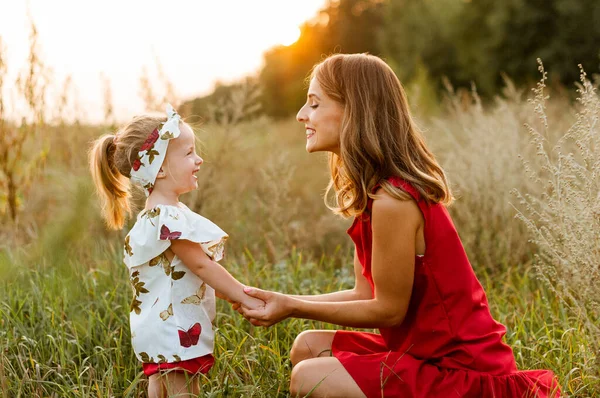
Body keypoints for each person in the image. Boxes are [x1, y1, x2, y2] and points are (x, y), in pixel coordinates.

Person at [239, 54, 560, 397]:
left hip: (461, 372)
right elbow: (365, 296)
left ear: (355, 112)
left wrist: (293, 307)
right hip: (419, 355)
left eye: (315, 104)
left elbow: (389, 311)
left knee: (307, 378)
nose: (302, 115)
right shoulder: (372, 197)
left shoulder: (394, 200)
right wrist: (285, 300)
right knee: (308, 346)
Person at [89, 105, 263, 397]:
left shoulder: (154, 217)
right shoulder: (169, 218)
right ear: (160, 167)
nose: (199, 159)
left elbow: (180, 273)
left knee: (168, 387)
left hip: (161, 329)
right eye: (188, 153)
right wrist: (243, 295)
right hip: (174, 328)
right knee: (183, 391)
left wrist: (224, 293)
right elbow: (202, 267)